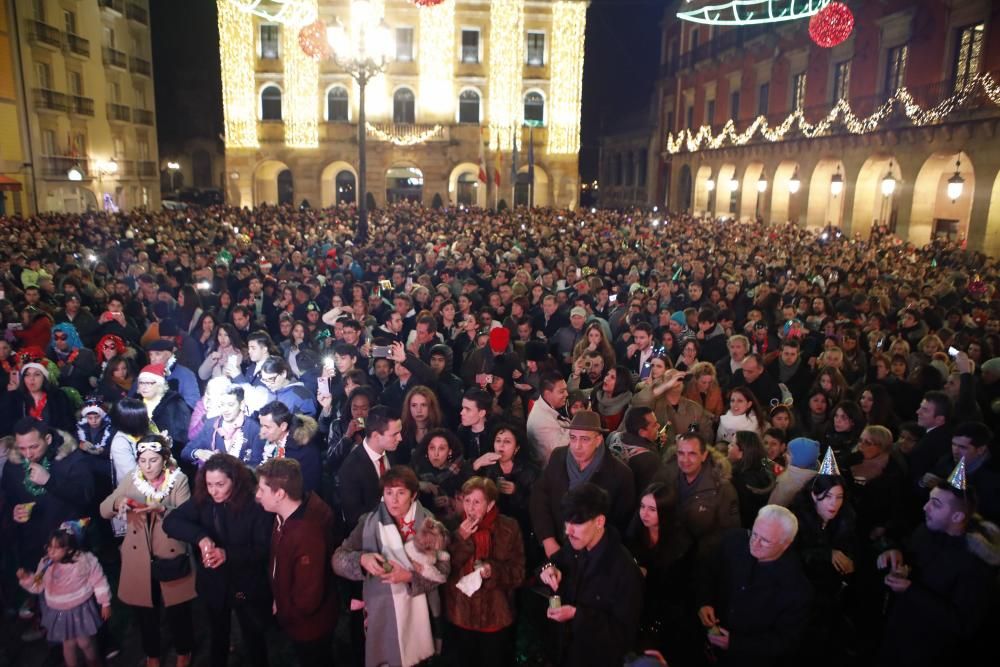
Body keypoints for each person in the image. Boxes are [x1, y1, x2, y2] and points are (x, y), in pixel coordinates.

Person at [877, 466, 1000, 666]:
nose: (926, 508)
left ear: (957, 517)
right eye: (929, 500)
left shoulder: (975, 564)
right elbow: (909, 550)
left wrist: (910, 590)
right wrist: (896, 552)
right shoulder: (926, 530)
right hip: (898, 634)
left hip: (928, 651)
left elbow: (962, 624)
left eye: (936, 504)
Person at [332, 466, 450, 667]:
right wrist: (362, 560)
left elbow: (444, 571)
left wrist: (410, 577)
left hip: (421, 616)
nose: (394, 500)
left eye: (401, 493)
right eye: (389, 493)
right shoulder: (368, 522)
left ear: (413, 496)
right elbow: (337, 559)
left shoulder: (430, 524)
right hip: (383, 614)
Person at [163, 454, 273, 667]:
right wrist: (201, 537)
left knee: (254, 638)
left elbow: (263, 549)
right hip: (214, 583)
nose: (214, 491)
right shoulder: (204, 500)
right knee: (218, 635)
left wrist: (227, 554)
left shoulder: (254, 505)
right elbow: (171, 522)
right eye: (209, 484)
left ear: (235, 480)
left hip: (245, 584)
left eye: (220, 484)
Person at [98, 434, 195, 667]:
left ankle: (184, 649)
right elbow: (103, 509)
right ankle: (152, 653)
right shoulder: (133, 479)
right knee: (145, 611)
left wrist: (162, 508)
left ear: (164, 459)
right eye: (142, 460)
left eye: (153, 460)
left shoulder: (178, 480)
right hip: (138, 555)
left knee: (177, 610)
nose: (148, 466)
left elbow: (187, 516)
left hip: (169, 552)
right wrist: (118, 502)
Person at [538, 483, 643, 667]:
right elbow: (552, 562)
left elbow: (624, 635)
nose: (568, 531)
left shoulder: (623, 569)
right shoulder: (573, 547)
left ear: (599, 522)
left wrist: (577, 615)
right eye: (566, 522)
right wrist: (548, 569)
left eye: (577, 523)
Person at [696, 505, 813, 666]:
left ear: (786, 544)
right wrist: (704, 602)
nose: (754, 543)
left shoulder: (797, 588)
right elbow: (707, 572)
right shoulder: (733, 541)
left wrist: (736, 644)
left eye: (765, 540)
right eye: (754, 534)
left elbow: (786, 641)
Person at [255, 458, 338, 667]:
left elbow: (308, 597)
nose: (257, 495)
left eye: (262, 490)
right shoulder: (282, 517)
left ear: (280, 494)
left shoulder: (305, 534)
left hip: (309, 626)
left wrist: (284, 610)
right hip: (297, 618)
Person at [530, 410, 636, 558]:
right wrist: (548, 539)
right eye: (573, 438)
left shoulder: (620, 474)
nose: (577, 446)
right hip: (556, 546)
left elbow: (620, 523)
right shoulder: (558, 457)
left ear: (599, 440)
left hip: (595, 556)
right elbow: (540, 497)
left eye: (585, 439)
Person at [444, 477, 525, 667]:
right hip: (460, 615)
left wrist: (493, 571)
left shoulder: (509, 528)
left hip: (497, 616)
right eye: (467, 501)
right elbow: (444, 569)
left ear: (490, 505)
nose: (470, 508)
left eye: (477, 502)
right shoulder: (450, 526)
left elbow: (518, 572)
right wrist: (461, 539)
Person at [17, 523, 112, 667]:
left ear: (69, 549)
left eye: (56, 548)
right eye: (49, 547)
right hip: (59, 611)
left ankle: (94, 663)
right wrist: (26, 578)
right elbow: (38, 586)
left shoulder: (84, 561)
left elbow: (99, 581)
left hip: (80, 609)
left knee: (85, 642)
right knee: (68, 644)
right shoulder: (46, 564)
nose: (51, 551)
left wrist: (105, 603)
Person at [790, 468, 857, 664]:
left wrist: (850, 561)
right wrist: (826, 554)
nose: (834, 503)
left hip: (833, 592)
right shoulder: (798, 518)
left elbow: (852, 547)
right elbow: (791, 557)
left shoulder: (846, 518)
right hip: (802, 593)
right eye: (827, 497)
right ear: (813, 495)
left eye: (839, 497)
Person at [626, 482, 687, 661]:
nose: (644, 513)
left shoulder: (681, 541)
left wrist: (647, 574)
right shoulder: (636, 527)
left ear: (665, 511)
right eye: (642, 506)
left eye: (652, 509)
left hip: (666, 607)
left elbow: (678, 587)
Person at [659, 432, 740, 560]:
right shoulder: (666, 475)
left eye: (692, 454)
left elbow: (729, 532)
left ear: (704, 455)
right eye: (681, 453)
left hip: (701, 559)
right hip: (667, 552)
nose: (685, 460)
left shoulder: (722, 488)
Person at [336, 405, 402, 531]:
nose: (400, 438)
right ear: (376, 436)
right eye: (395, 434)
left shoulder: (394, 451)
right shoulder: (350, 469)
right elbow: (354, 519)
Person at [181, 385, 263, 467]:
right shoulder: (210, 424)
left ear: (241, 404)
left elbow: (256, 465)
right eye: (222, 405)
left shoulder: (254, 429)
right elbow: (186, 452)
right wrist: (198, 453)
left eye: (230, 405)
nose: (225, 409)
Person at [257, 400, 322, 494]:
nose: (262, 431)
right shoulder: (266, 439)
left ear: (283, 426)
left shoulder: (307, 452)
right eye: (261, 425)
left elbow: (309, 490)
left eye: (267, 427)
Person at [135, 364, 191, 460]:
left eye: (149, 383)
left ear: (159, 384)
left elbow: (182, 438)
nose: (144, 387)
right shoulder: (136, 403)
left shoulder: (174, 404)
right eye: (141, 383)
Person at [727, 431, 776, 528]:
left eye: (732, 445)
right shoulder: (765, 470)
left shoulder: (738, 480)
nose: (728, 446)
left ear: (741, 453)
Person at [615, 406, 665, 494]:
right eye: (654, 425)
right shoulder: (650, 459)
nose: (659, 426)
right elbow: (651, 493)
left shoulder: (613, 437)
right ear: (642, 432)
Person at [526, 371, 570, 465]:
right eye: (561, 391)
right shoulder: (541, 421)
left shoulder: (544, 407)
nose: (566, 394)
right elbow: (560, 452)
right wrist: (577, 423)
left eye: (566, 390)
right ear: (547, 394)